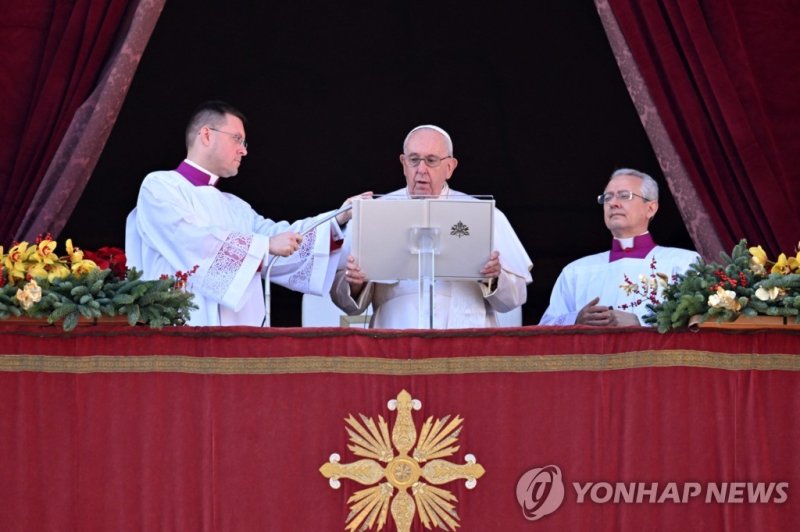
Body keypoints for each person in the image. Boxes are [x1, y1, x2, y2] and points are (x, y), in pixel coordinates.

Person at [126, 100, 356, 326]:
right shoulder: (160, 186)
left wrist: (337, 218)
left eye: (245, 143)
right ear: (206, 135)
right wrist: (264, 246)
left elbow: (280, 238)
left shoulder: (236, 206)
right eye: (237, 139)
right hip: (180, 327)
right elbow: (190, 239)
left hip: (239, 336)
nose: (243, 150)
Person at [330, 124, 533, 328]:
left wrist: (494, 277)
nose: (421, 169)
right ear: (403, 163)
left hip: (466, 340)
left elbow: (514, 299)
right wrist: (355, 284)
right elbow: (346, 302)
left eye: (431, 160)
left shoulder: (485, 214)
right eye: (414, 159)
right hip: (396, 338)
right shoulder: (373, 213)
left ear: (450, 167)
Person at [539, 168, 699, 326]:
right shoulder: (576, 271)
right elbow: (544, 331)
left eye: (624, 196)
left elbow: (700, 324)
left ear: (650, 208)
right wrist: (576, 320)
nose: (613, 203)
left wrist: (640, 323)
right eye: (607, 198)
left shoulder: (684, 263)